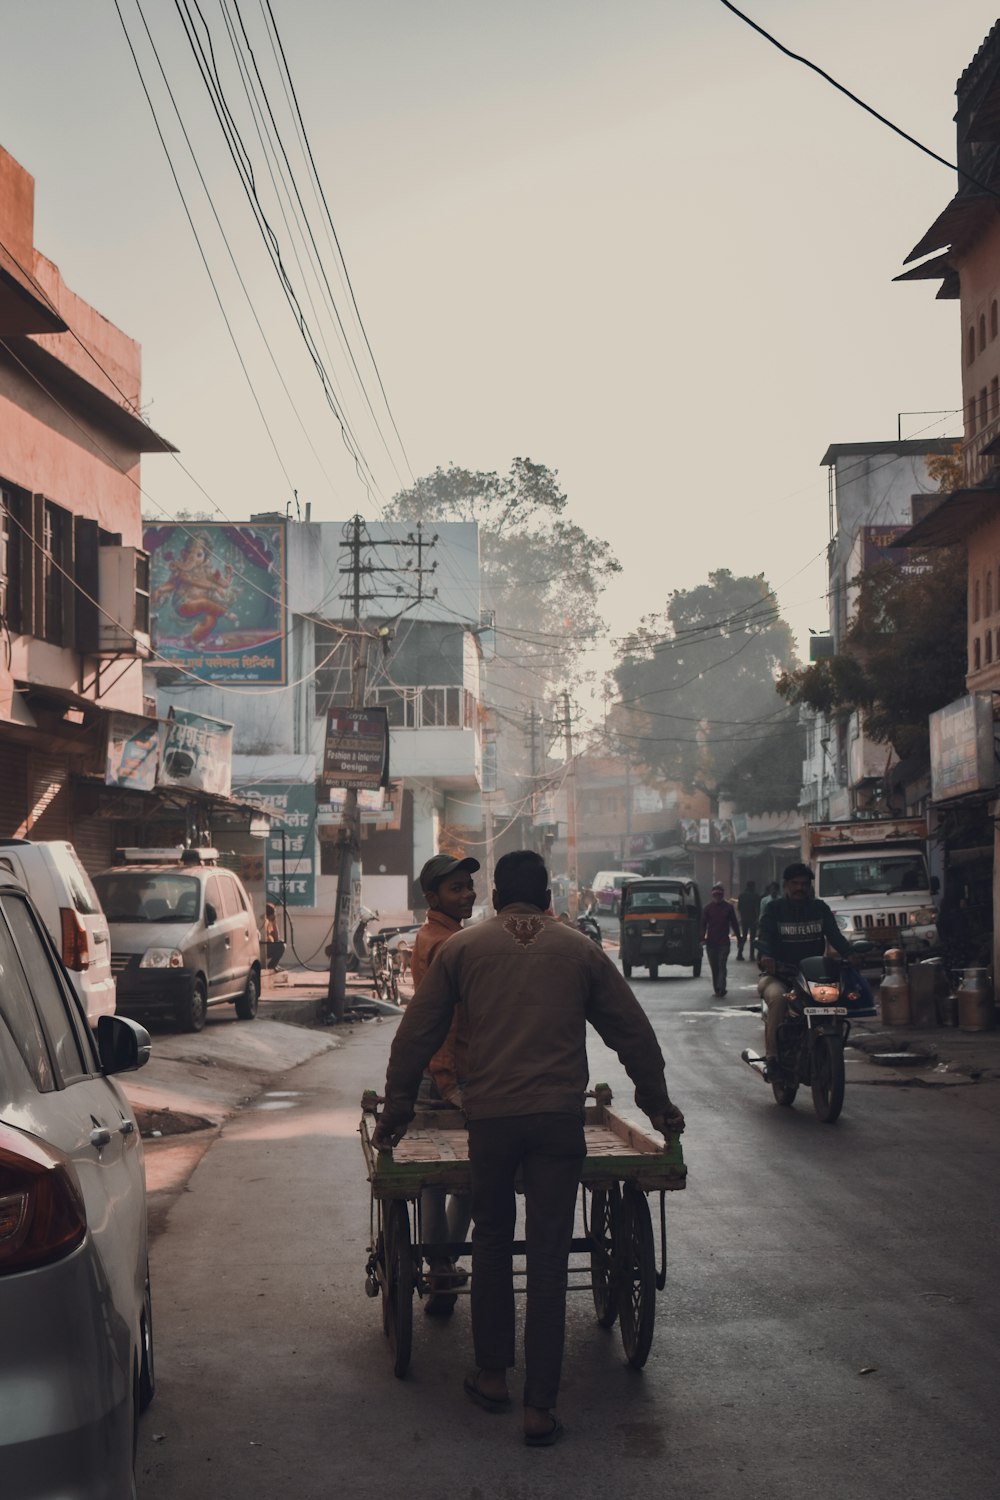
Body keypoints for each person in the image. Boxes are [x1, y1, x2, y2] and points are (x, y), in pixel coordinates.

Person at [372, 850, 684, 1448]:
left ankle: (491, 1377)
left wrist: (397, 1110)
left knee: (490, 1243)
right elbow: (632, 1032)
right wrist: (656, 1103)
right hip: (556, 1122)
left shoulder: (463, 950)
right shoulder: (579, 949)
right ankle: (539, 1411)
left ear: (494, 895)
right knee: (544, 1256)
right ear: (545, 897)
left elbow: (417, 1034)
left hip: (490, 1119)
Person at [409, 852, 480, 1301]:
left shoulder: (447, 937)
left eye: (469, 886)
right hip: (444, 1073)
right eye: (457, 888)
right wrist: (448, 1081)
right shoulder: (442, 943)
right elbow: (443, 1022)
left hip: (448, 1070)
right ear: (434, 897)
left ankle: (443, 1264)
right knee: (446, 1176)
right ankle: (441, 1265)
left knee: (445, 1175)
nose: (468, 893)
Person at [756, 862, 852, 1074]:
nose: (800, 888)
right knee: (779, 999)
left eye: (804, 884)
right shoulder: (774, 910)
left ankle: (829, 1049)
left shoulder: (820, 909)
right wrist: (766, 956)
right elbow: (764, 938)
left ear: (810, 886)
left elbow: (835, 936)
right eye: (795, 883)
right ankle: (773, 1058)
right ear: (786, 885)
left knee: (840, 998)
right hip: (779, 977)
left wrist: (851, 954)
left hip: (814, 978)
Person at [700, 883, 740, 998]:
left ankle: (722, 988)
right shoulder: (707, 908)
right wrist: (702, 938)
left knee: (722, 965)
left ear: (722, 895)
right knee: (715, 967)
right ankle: (717, 989)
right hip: (711, 943)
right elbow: (703, 925)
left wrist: (739, 938)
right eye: (715, 895)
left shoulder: (728, 908)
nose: (717, 897)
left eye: (719, 895)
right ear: (713, 896)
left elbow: (734, 923)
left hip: (724, 942)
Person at [736, 879, 761, 961]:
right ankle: (751, 955)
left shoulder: (741, 895)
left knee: (744, 937)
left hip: (744, 919)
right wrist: (757, 918)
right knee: (752, 938)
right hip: (753, 919)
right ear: (753, 886)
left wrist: (741, 916)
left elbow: (739, 907)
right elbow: (757, 908)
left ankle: (739, 953)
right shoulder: (756, 895)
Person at [262, 902, 284, 971]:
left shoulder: (270, 923)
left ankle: (274, 965)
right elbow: (269, 939)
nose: (275, 915)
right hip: (263, 949)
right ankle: (271, 966)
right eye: (274, 913)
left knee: (282, 942)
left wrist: (274, 923)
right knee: (281, 946)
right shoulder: (265, 922)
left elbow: (277, 938)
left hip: (268, 947)